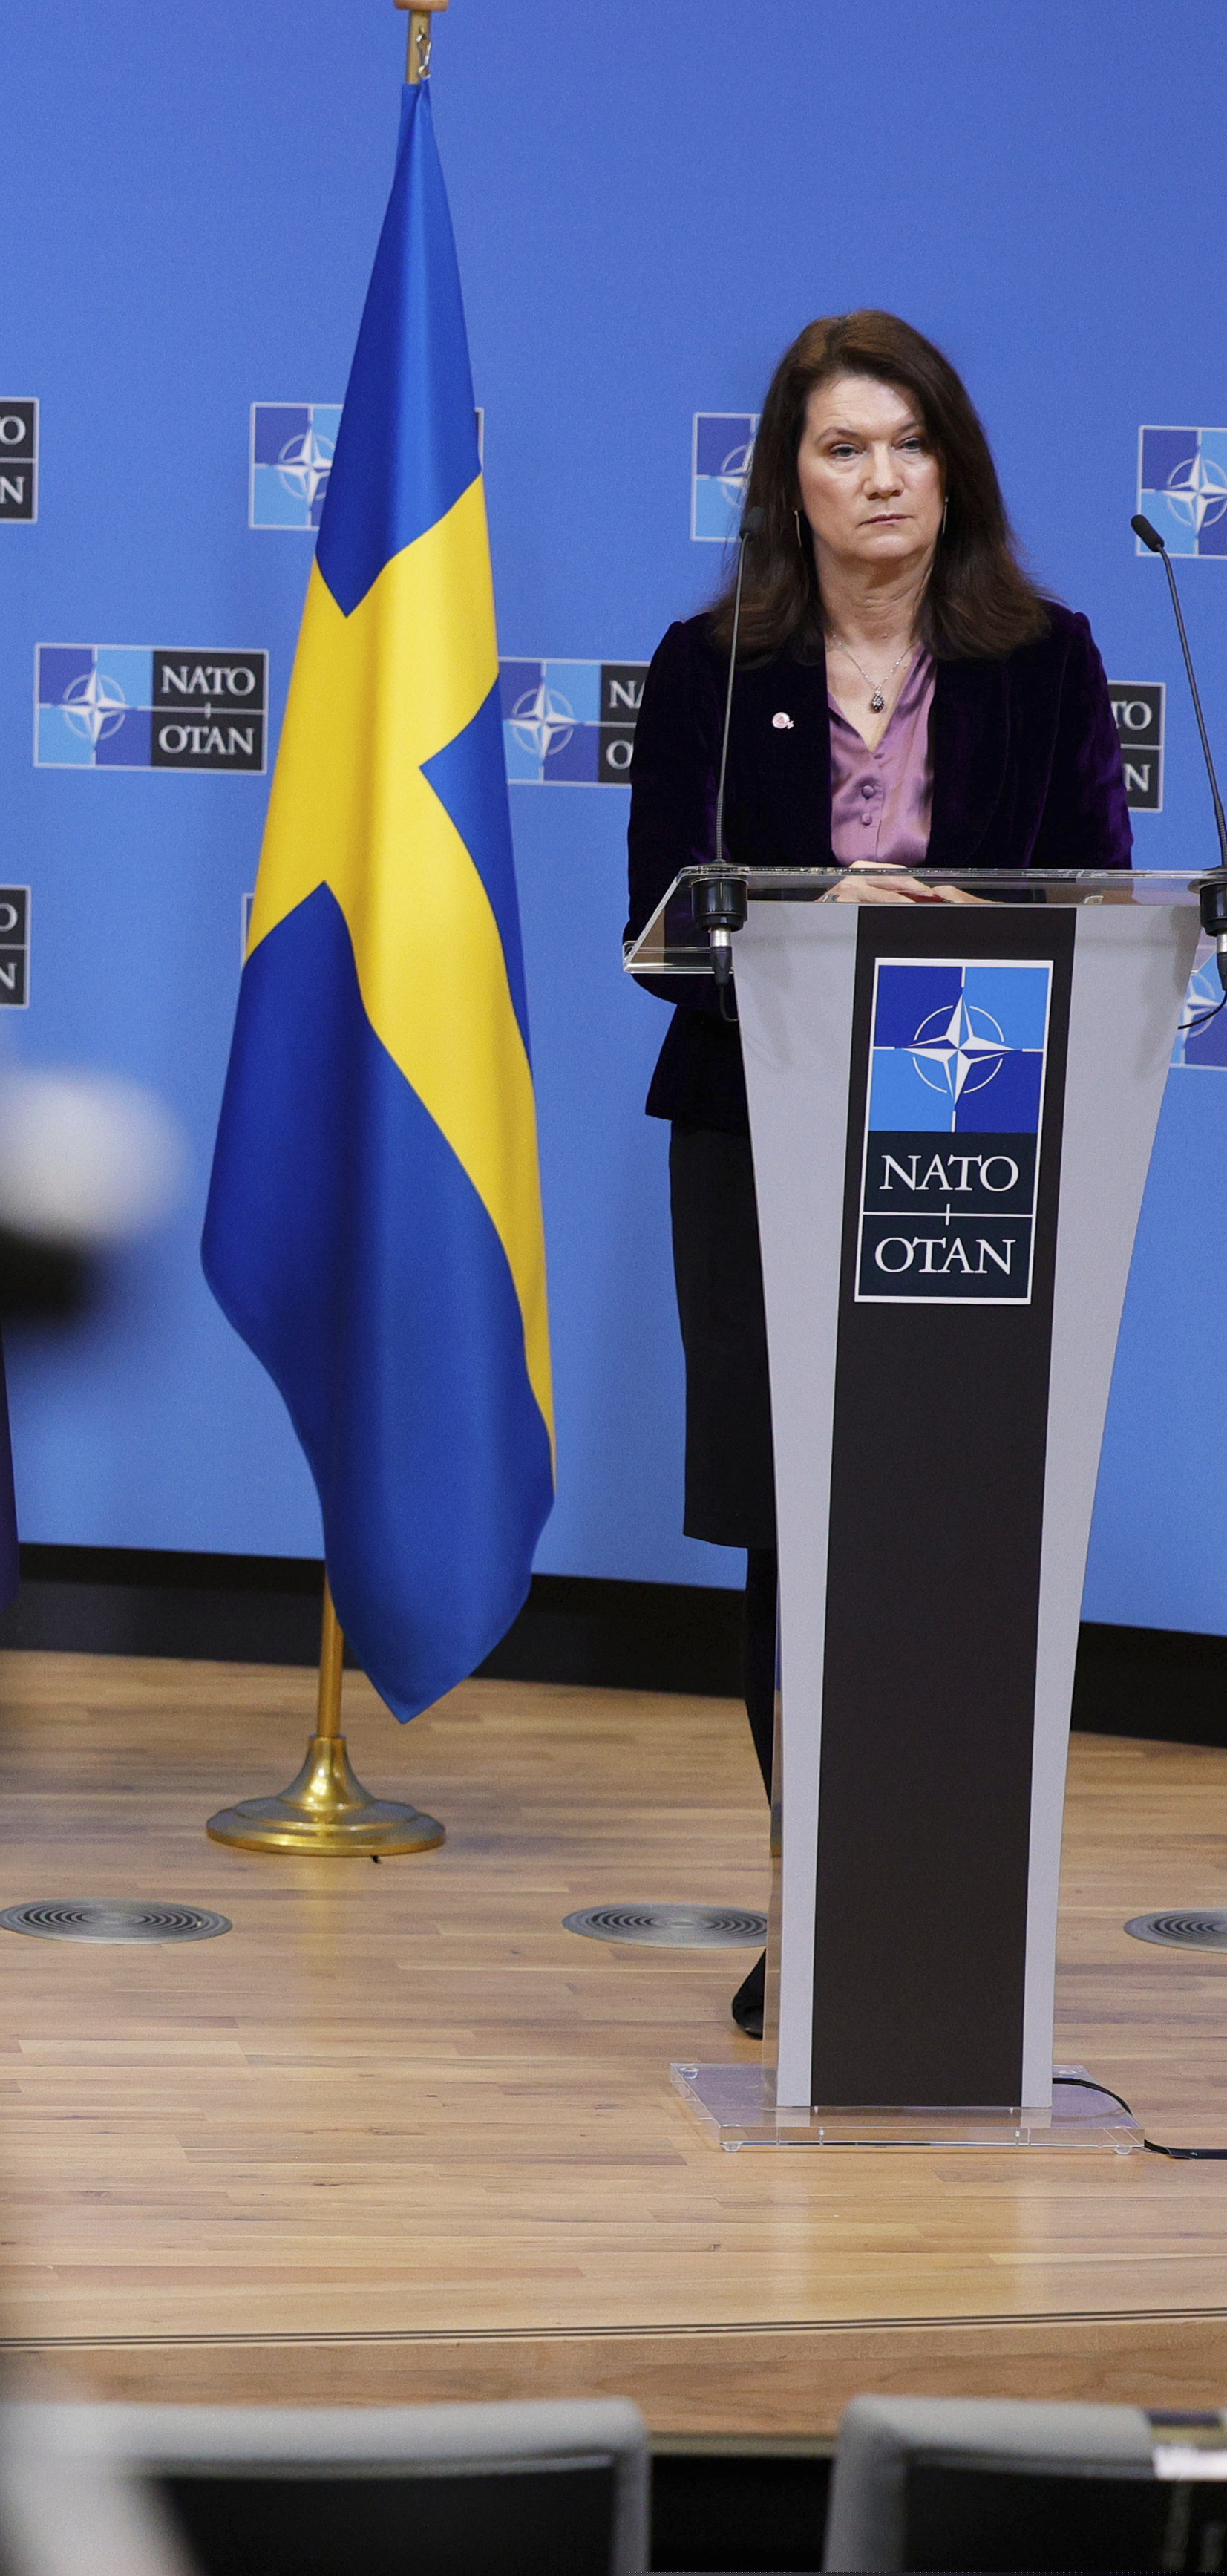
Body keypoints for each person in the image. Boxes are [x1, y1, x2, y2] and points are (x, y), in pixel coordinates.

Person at [621, 310, 1130, 2039]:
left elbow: (1099, 905)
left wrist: (955, 929)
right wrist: (803, 903)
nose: (881, 475)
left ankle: (939, 1911)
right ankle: (818, 1908)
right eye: (844, 447)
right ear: (791, 480)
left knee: (944, 1528)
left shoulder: (1046, 657)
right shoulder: (714, 663)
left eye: (907, 441)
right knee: (800, 1534)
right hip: (758, 1130)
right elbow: (659, 928)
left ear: (953, 463)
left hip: (968, 1139)